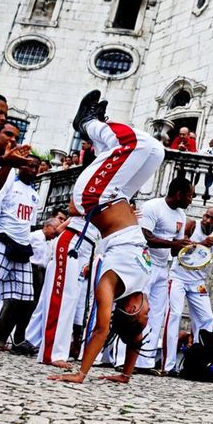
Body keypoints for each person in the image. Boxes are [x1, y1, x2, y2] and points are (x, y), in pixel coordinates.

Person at [50, 89, 165, 384]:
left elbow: (102, 329)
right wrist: (125, 375)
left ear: (131, 309)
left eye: (143, 317)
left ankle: (87, 123)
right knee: (155, 151)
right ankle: (98, 129)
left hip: (93, 197)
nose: (149, 315)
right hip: (117, 195)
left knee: (132, 143)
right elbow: (135, 339)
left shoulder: (110, 284)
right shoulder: (143, 285)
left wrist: (81, 373)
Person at [163, 207, 213, 374]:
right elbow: (176, 248)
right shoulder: (192, 225)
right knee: (174, 315)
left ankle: (196, 364)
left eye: (212, 219)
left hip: (198, 281)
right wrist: (199, 244)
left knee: (206, 320)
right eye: (206, 216)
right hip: (178, 277)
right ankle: (167, 365)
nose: (207, 220)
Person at [16, 215, 100, 365]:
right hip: (74, 246)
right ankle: (48, 350)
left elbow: (61, 228)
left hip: (82, 250)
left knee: (54, 300)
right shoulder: (85, 208)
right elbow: (64, 223)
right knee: (60, 299)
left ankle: (33, 341)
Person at [137, 177, 194, 370]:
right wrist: (174, 244)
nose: (191, 200)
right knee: (137, 311)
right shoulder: (152, 207)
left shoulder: (181, 216)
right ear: (179, 194)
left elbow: (174, 250)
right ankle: (122, 359)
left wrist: (189, 248)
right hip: (144, 265)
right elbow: (145, 237)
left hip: (163, 267)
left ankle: (144, 362)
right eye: (189, 195)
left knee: (156, 314)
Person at [0, 155, 41, 350]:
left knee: (25, 295)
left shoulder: (35, 195)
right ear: (21, 165)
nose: (33, 170)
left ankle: (1, 336)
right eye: (30, 166)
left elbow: (29, 224)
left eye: (36, 167)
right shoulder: (9, 185)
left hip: (22, 246)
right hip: (3, 239)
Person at [0, 218, 58, 354]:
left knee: (31, 306)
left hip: (40, 272)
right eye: (54, 228)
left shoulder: (49, 242)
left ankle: (20, 338)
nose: (56, 232)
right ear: (47, 226)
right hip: (30, 268)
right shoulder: (34, 236)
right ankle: (6, 336)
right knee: (19, 303)